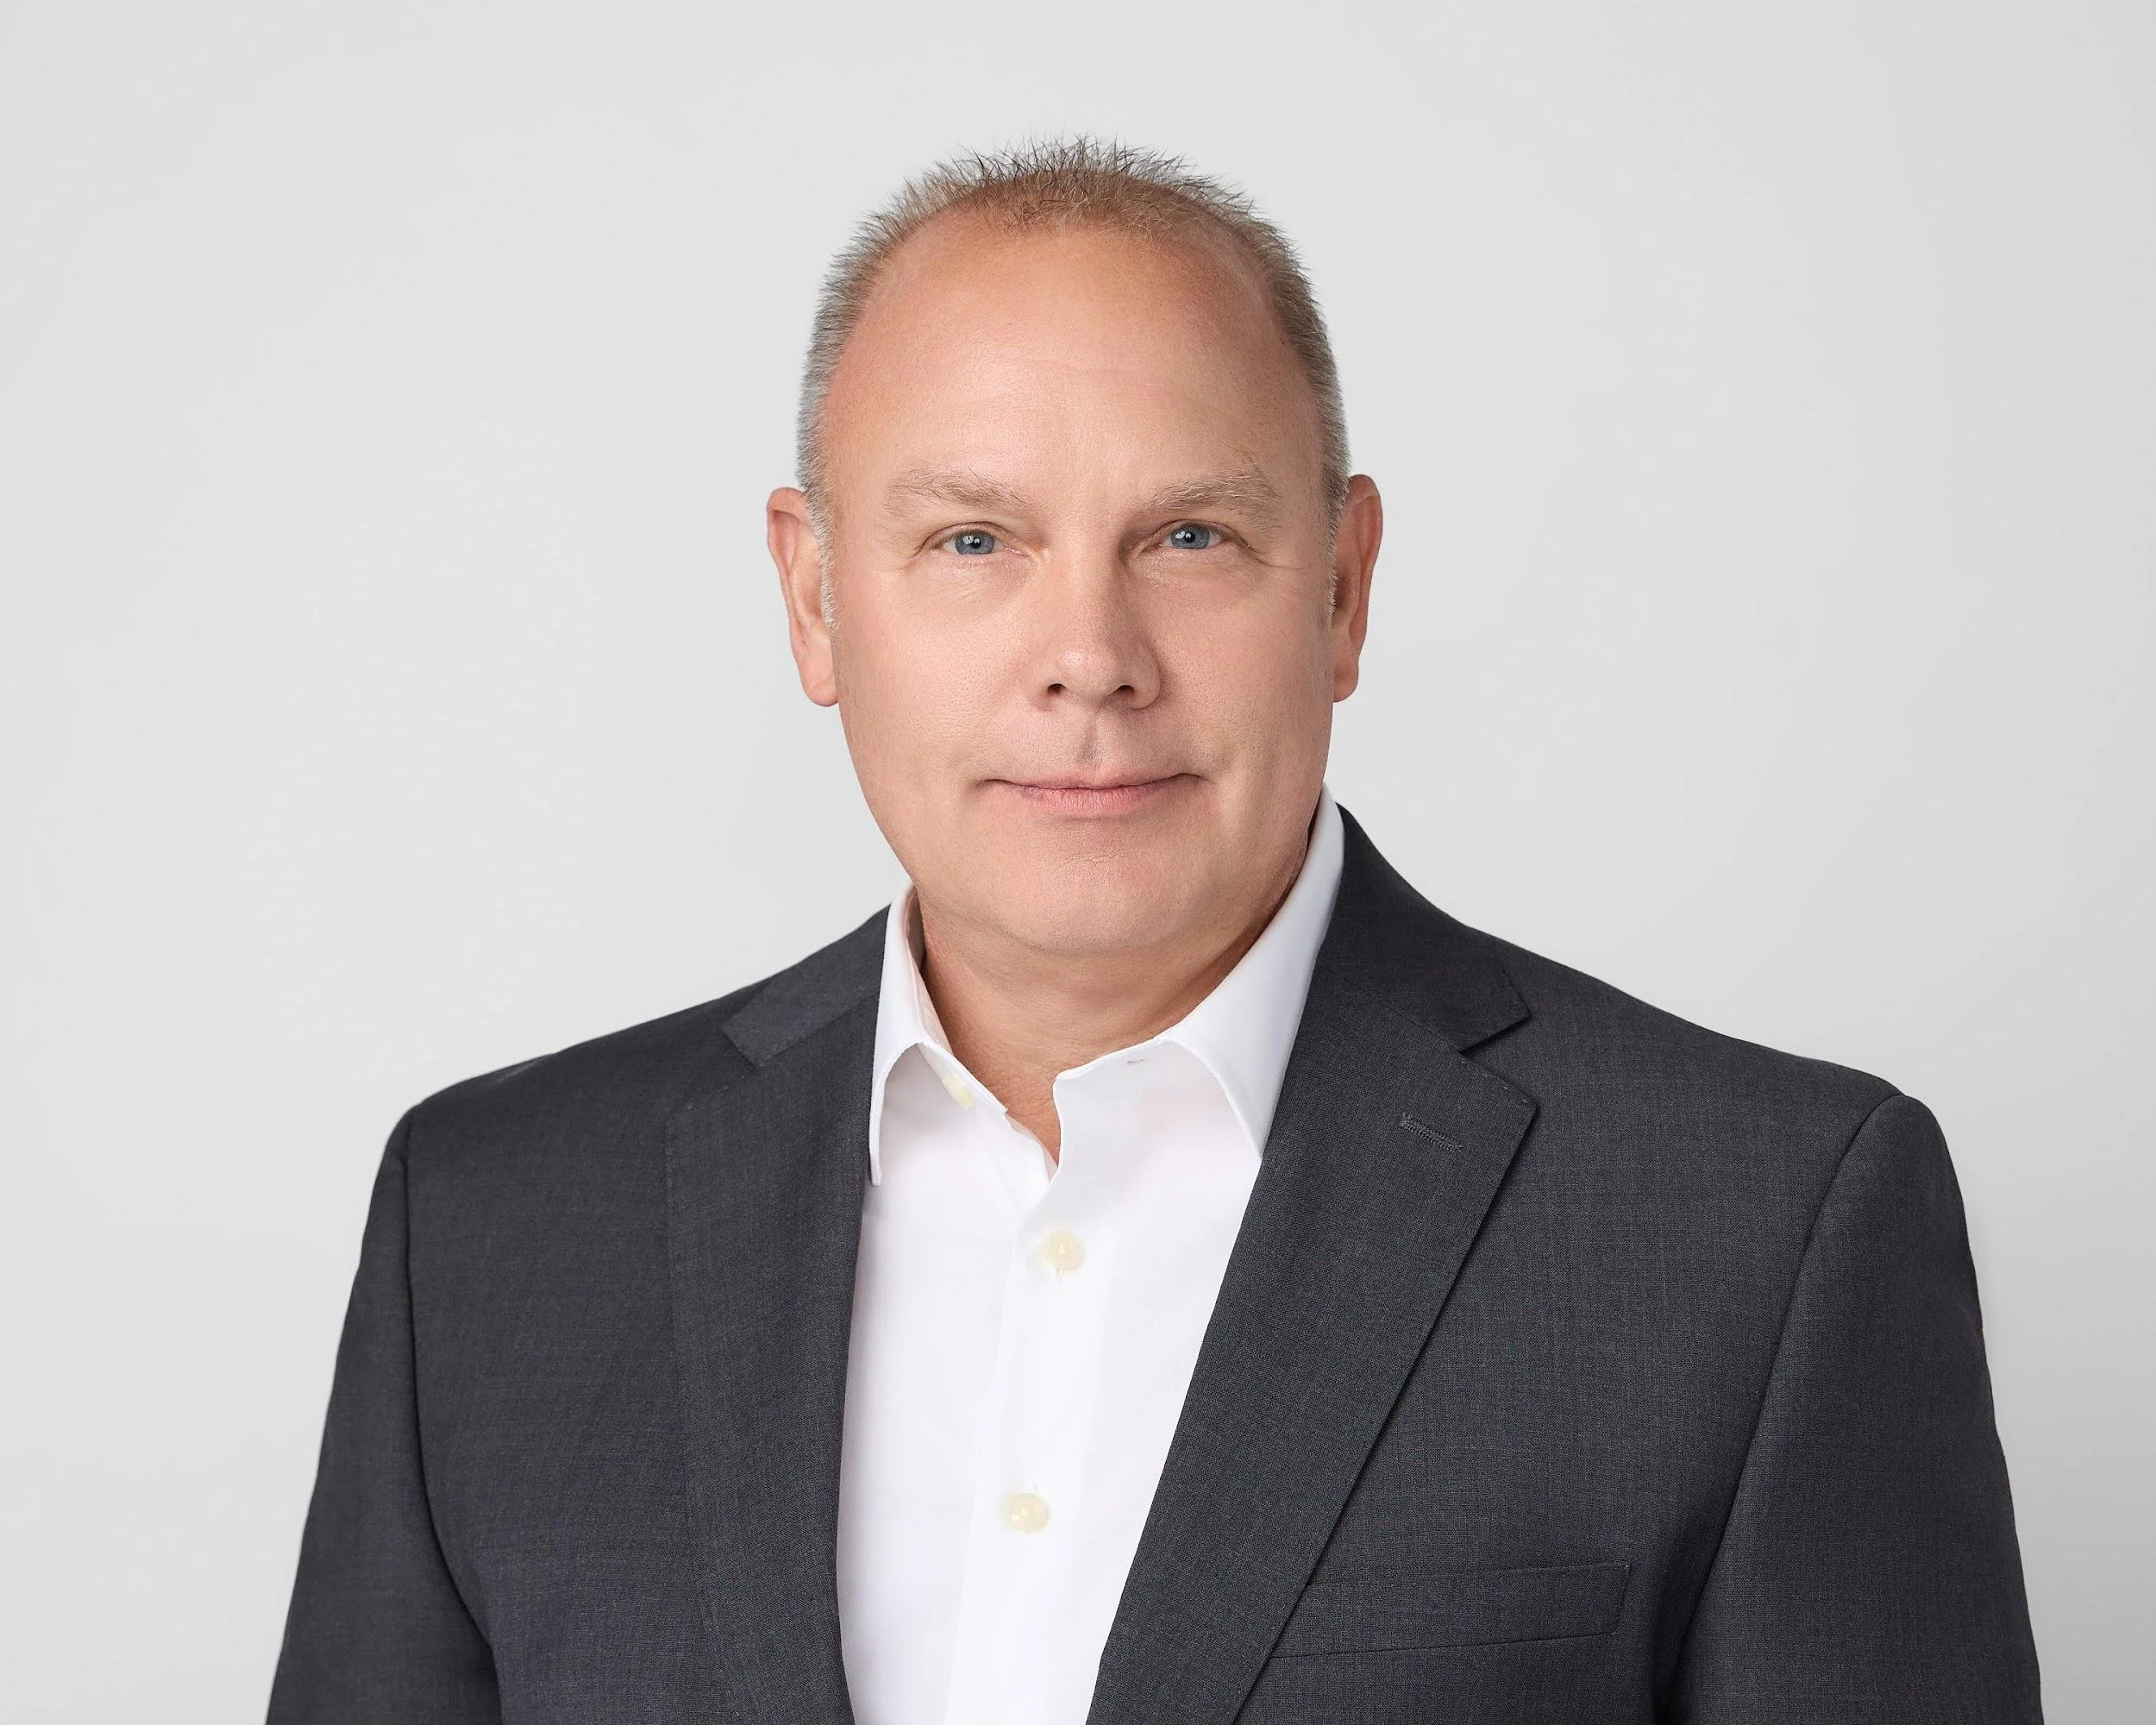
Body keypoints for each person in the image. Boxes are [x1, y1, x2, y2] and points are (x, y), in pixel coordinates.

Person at [268, 140, 2041, 1724]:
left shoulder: (1757, 1226)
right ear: (813, 602)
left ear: (1340, 591)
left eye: (1188, 535)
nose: (1088, 653)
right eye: (971, 540)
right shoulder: (492, 1226)